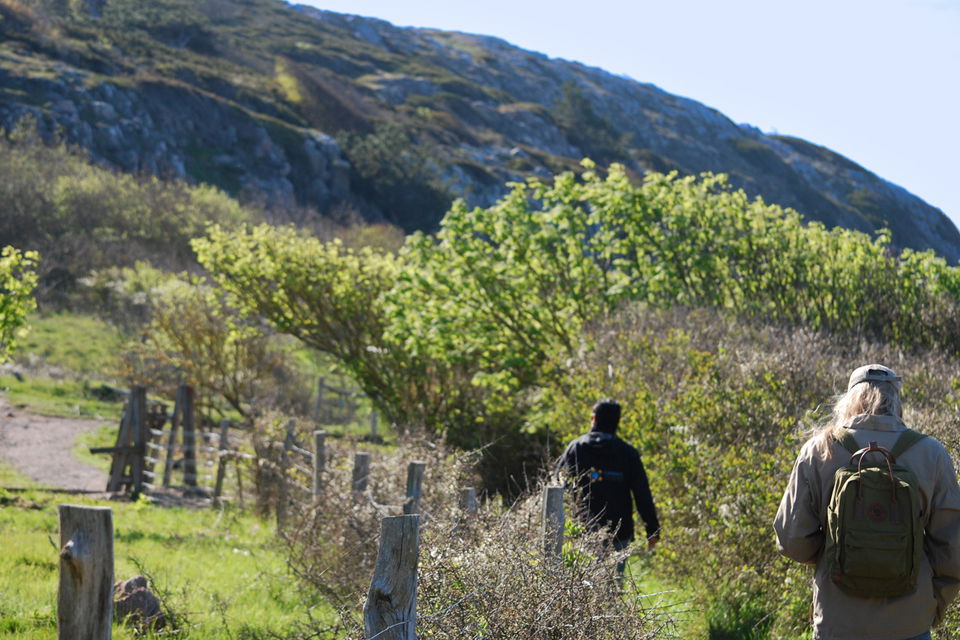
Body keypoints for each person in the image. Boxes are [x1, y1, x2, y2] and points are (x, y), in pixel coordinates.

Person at [775, 364, 960, 640]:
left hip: (838, 622)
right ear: (896, 400)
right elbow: (953, 550)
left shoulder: (819, 450)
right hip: (909, 623)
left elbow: (792, 541)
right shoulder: (931, 453)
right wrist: (932, 605)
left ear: (849, 399)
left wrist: (839, 552)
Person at [559, 398, 660, 572]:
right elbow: (642, 493)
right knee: (613, 588)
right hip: (619, 532)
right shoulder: (628, 453)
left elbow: (557, 486)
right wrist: (652, 530)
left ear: (594, 419)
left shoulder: (576, 449)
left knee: (583, 585)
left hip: (581, 529)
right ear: (617, 422)